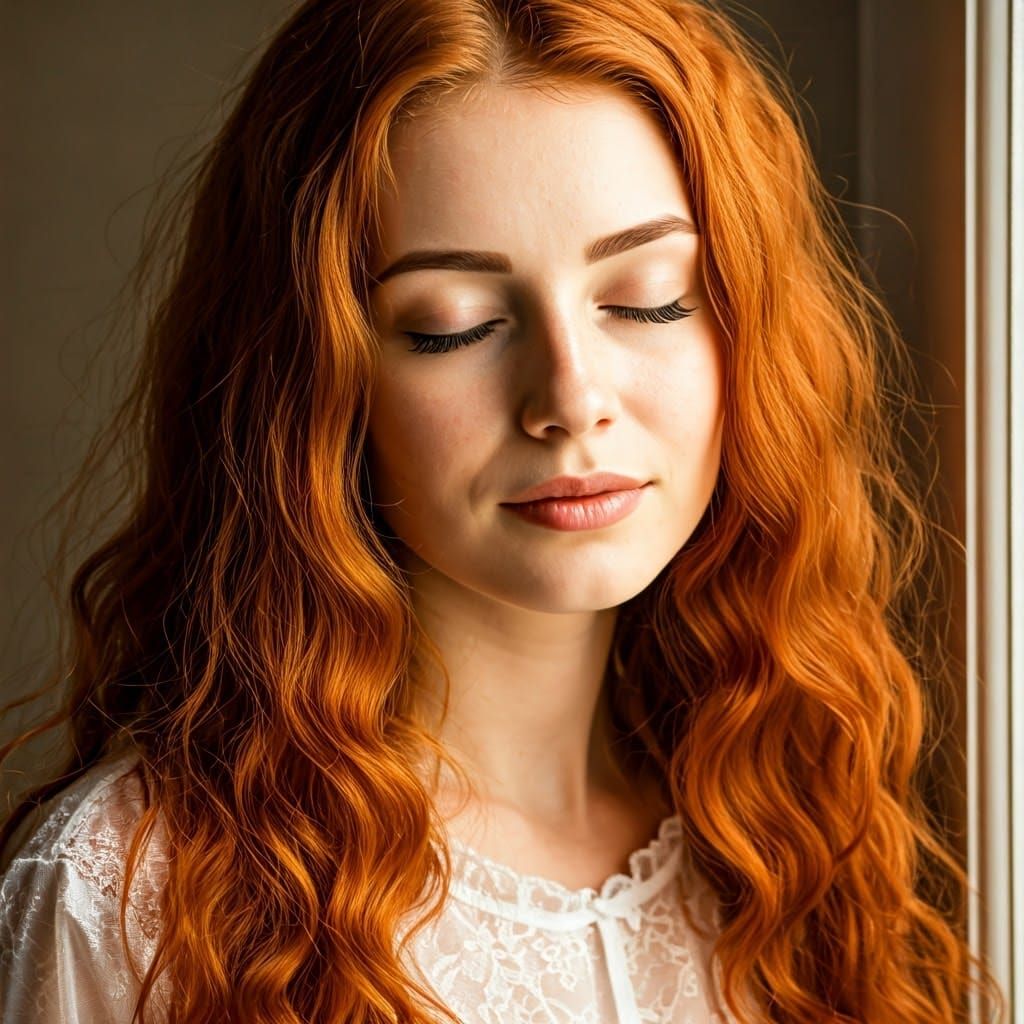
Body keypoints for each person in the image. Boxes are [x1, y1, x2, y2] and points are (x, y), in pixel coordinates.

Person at [0, 1, 1007, 1022]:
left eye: (650, 297)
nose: (571, 397)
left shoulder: (791, 836)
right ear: (309, 382)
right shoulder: (135, 895)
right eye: (455, 325)